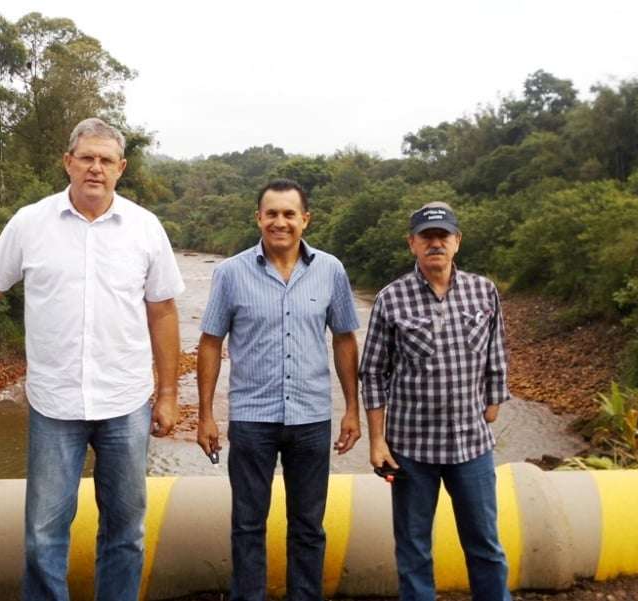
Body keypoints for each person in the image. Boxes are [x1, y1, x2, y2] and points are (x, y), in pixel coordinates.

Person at [0, 117, 184, 601]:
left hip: (126, 401)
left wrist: (168, 394)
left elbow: (164, 313)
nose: (95, 168)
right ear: (67, 162)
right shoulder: (29, 223)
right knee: (44, 533)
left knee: (125, 530)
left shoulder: (145, 229)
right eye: (86, 157)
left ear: (121, 168)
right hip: (54, 403)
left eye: (106, 160)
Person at [196, 178, 361, 601]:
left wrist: (352, 410)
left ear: (305, 219)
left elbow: (344, 339)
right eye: (272, 213)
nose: (280, 222)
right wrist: (206, 415)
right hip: (252, 419)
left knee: (308, 526)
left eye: (290, 214)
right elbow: (211, 342)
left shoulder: (331, 271)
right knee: (248, 524)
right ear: (258, 218)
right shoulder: (230, 273)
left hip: (311, 418)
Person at [360, 201, 511, 601]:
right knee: (413, 551)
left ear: (457, 241)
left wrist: (493, 401)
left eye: (443, 236)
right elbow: (373, 372)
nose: (435, 244)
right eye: (426, 237)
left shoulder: (484, 291)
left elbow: (496, 351)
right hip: (411, 450)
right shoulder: (391, 299)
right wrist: (377, 442)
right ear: (412, 244)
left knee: (485, 546)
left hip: (472, 446)